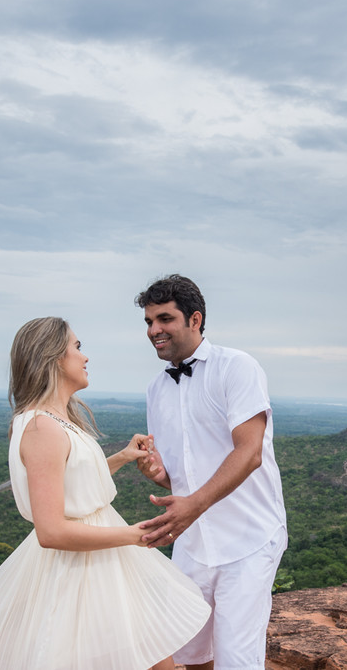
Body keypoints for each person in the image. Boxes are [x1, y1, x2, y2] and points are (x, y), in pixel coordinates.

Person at [0, 316, 210, 670]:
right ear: (53, 357)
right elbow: (51, 531)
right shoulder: (41, 427)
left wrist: (121, 457)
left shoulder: (51, 419)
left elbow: (70, 482)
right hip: (82, 568)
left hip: (100, 561)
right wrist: (137, 535)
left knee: (153, 656)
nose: (85, 357)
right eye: (77, 347)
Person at [134, 274, 288, 670]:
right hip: (193, 544)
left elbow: (250, 453)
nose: (154, 330)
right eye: (149, 321)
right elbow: (181, 474)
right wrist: (159, 474)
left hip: (248, 538)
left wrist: (193, 505)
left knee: (236, 660)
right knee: (192, 653)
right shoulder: (155, 390)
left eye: (164, 319)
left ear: (195, 319)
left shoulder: (237, 367)